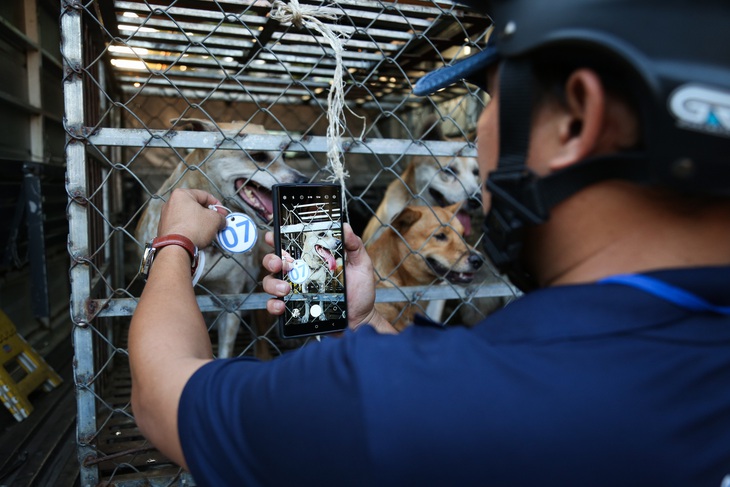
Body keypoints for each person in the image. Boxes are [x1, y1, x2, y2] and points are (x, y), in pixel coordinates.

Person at [129, 0, 730, 485]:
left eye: (489, 105)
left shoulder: (414, 400)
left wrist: (177, 240)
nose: (476, 149)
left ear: (576, 122)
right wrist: (360, 322)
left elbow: (162, 400)